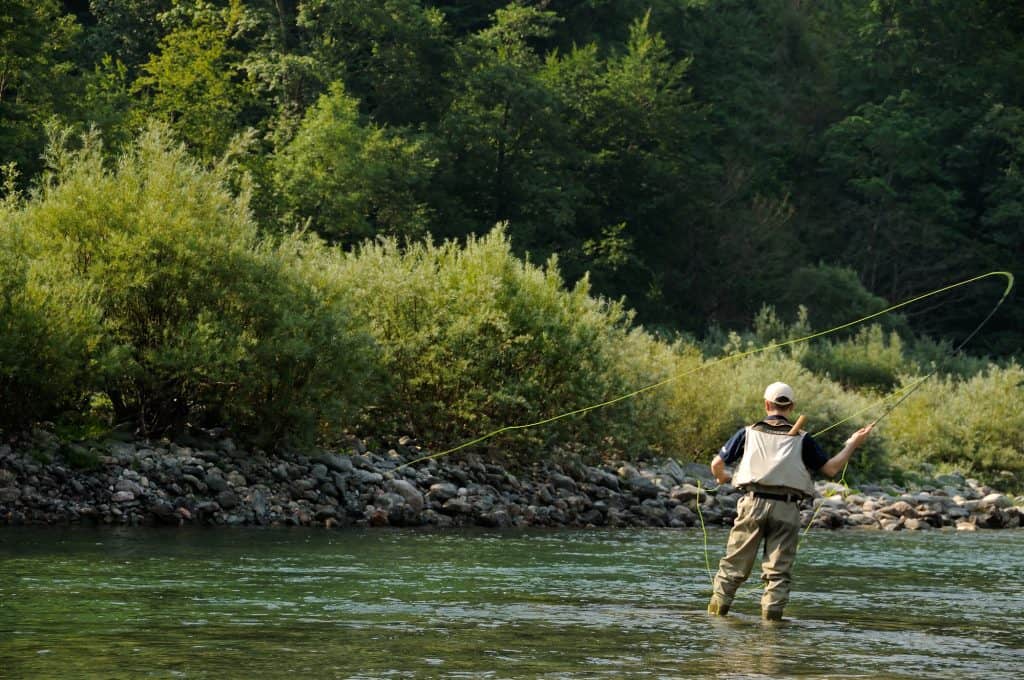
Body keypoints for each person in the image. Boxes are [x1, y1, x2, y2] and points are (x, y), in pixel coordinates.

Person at [706, 381, 873, 621]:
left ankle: (716, 619)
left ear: (766, 405)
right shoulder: (804, 439)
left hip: (752, 504)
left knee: (733, 567)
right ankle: (772, 633)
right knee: (777, 573)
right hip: (787, 508)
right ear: (791, 407)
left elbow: (717, 464)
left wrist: (724, 478)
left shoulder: (747, 432)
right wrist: (852, 444)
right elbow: (831, 469)